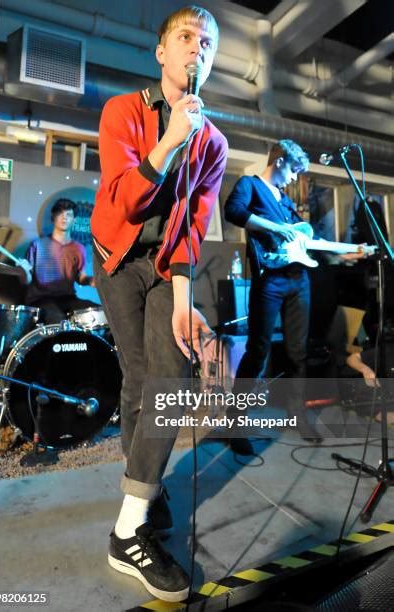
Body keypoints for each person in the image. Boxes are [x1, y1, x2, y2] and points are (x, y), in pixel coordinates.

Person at [91, 6, 227, 603]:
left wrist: (181, 299)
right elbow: (121, 204)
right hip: (117, 259)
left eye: (208, 43)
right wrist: (169, 141)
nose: (197, 48)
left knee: (169, 377)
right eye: (186, 38)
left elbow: (192, 229)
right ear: (162, 53)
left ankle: (129, 526)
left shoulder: (215, 142)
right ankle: (144, 492)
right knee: (136, 377)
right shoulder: (123, 111)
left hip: (164, 268)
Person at [224, 140, 365, 451]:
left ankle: (298, 414)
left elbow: (305, 241)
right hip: (270, 281)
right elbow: (232, 211)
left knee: (297, 352)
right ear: (280, 160)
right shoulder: (250, 185)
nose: (294, 178)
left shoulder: (286, 201)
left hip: (299, 280)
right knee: (258, 350)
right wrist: (275, 227)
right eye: (293, 170)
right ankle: (235, 423)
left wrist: (348, 251)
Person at [24, 199, 97, 324]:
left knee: (97, 312)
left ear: (74, 220)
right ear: (53, 217)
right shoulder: (37, 245)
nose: (64, 218)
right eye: (60, 214)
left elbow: (80, 277)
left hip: (67, 298)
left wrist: (91, 280)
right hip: (40, 299)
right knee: (57, 320)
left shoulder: (78, 248)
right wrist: (23, 271)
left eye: (68, 215)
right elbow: (27, 278)